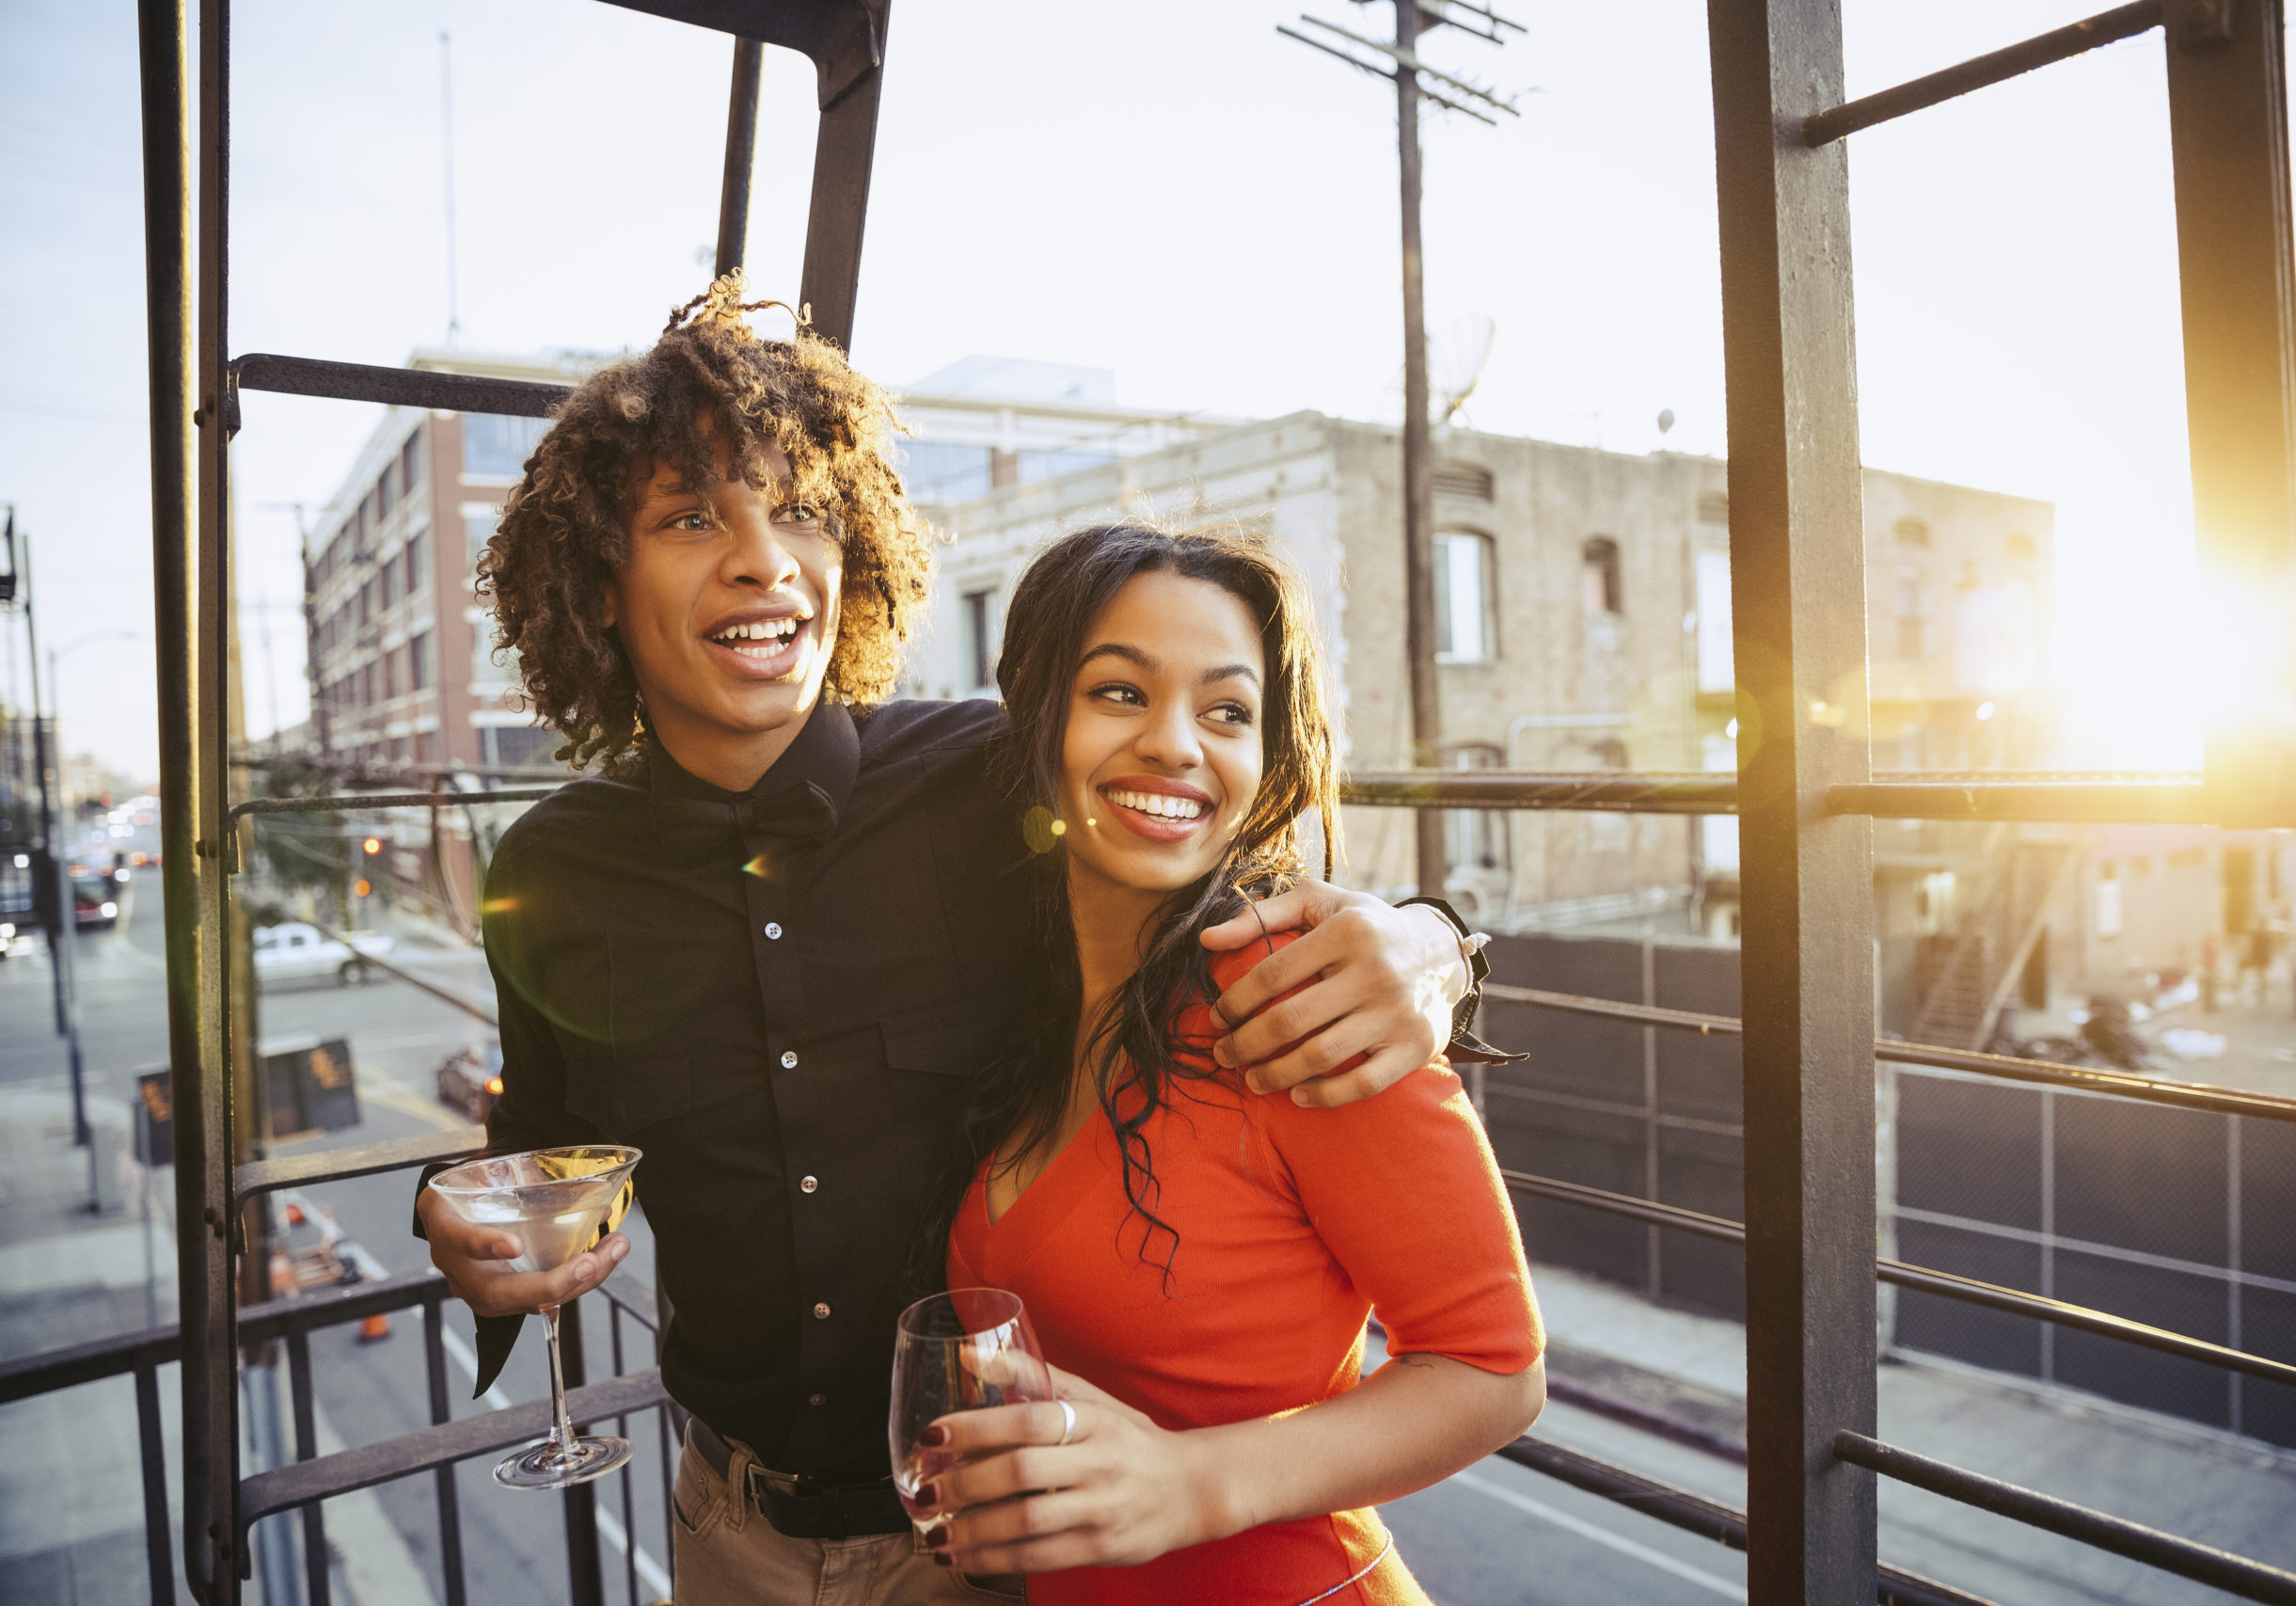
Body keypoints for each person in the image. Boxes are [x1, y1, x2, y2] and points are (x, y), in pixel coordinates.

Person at [411, 281, 1486, 1606]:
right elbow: (551, 1147)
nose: (762, 558)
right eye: (692, 517)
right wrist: (458, 1221)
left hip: (985, 1543)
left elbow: (1230, 869)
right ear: (600, 581)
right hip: (723, 1525)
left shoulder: (1002, 781)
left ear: (851, 547)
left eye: (800, 508)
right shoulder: (549, 872)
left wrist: (1437, 939)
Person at [921, 522, 1545, 1603]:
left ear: (1265, 766)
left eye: (1225, 712)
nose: (1174, 744)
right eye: (1119, 692)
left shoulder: (1299, 997)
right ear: (1037, 719)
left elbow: (1495, 1373)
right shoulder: (1027, 988)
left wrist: (1192, 1484)